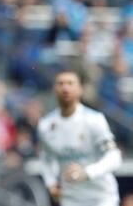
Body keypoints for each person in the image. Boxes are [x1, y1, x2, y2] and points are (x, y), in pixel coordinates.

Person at [38, 70, 122, 206]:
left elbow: (114, 158)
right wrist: (51, 183)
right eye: (61, 84)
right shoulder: (46, 125)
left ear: (79, 90)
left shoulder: (94, 120)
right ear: (54, 89)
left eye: (70, 83)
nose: (65, 88)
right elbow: (46, 158)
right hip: (71, 199)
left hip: (101, 198)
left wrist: (87, 172)